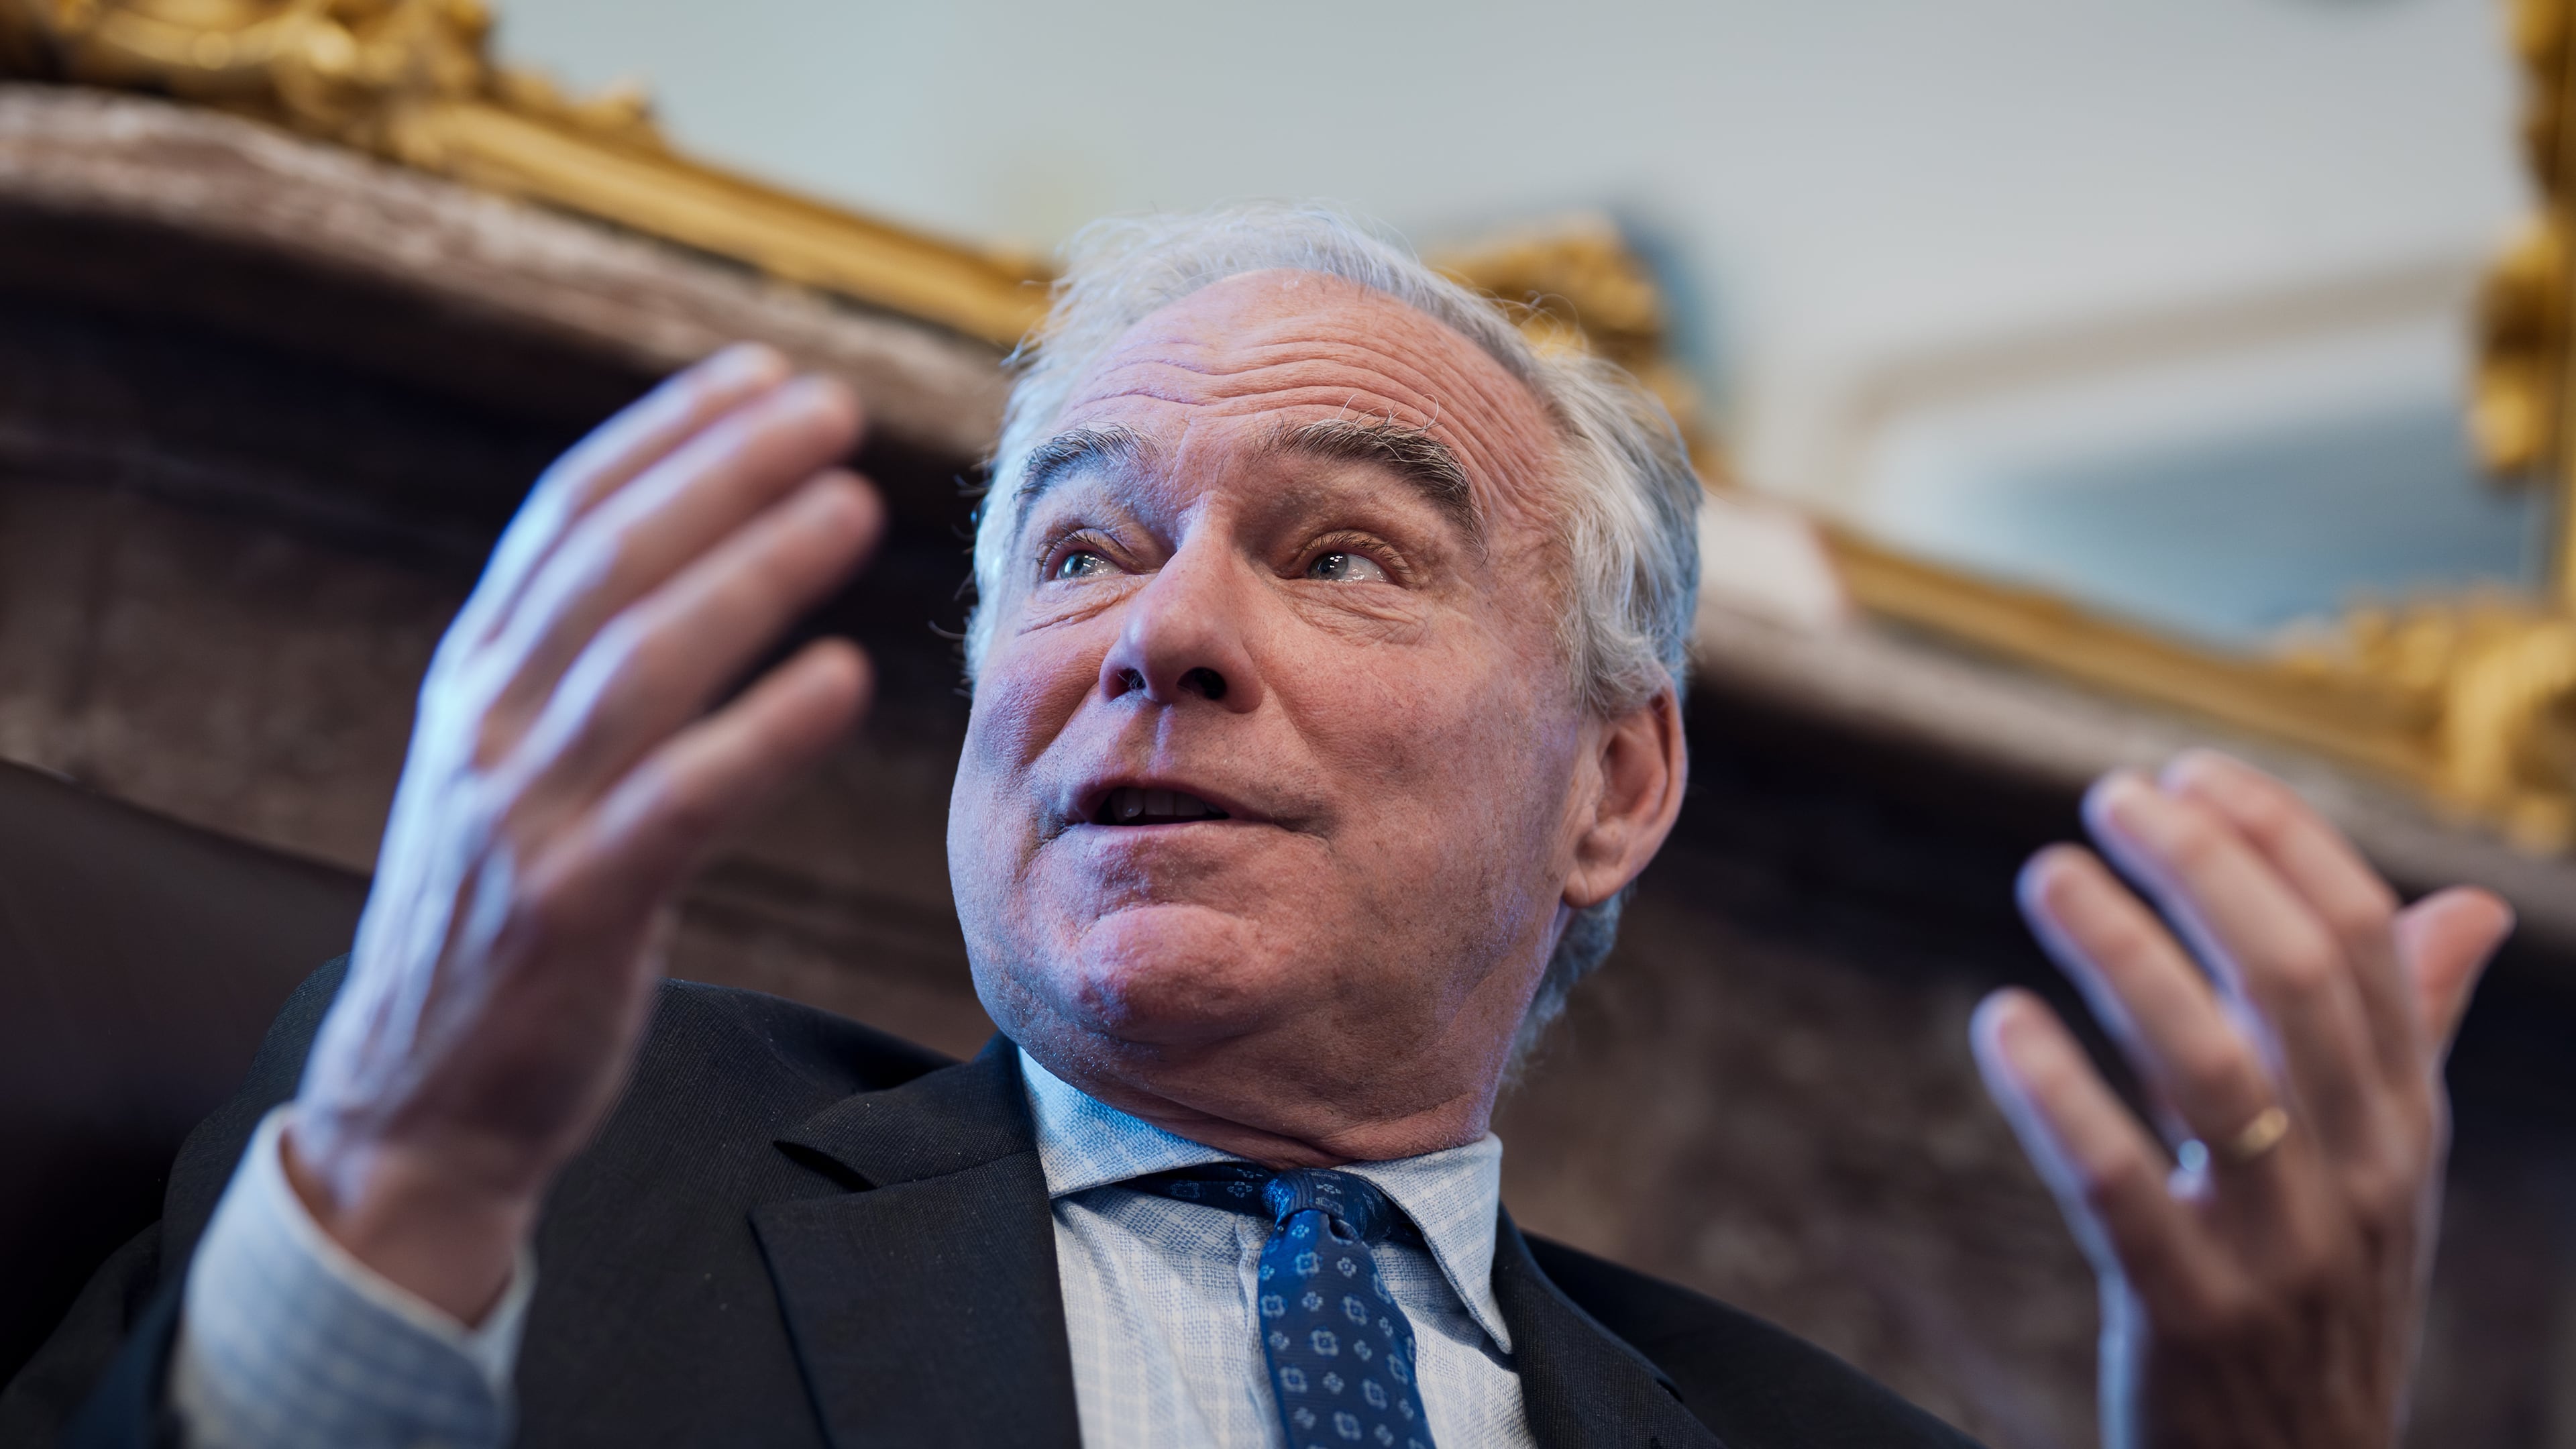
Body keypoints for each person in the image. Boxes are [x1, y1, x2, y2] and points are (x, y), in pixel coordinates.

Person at [11, 205, 2513, 1449]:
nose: (1158, 636)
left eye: (1341, 553)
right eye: (1079, 547)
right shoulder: (554, 1156)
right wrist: (406, 1175)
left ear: (1614, 783)